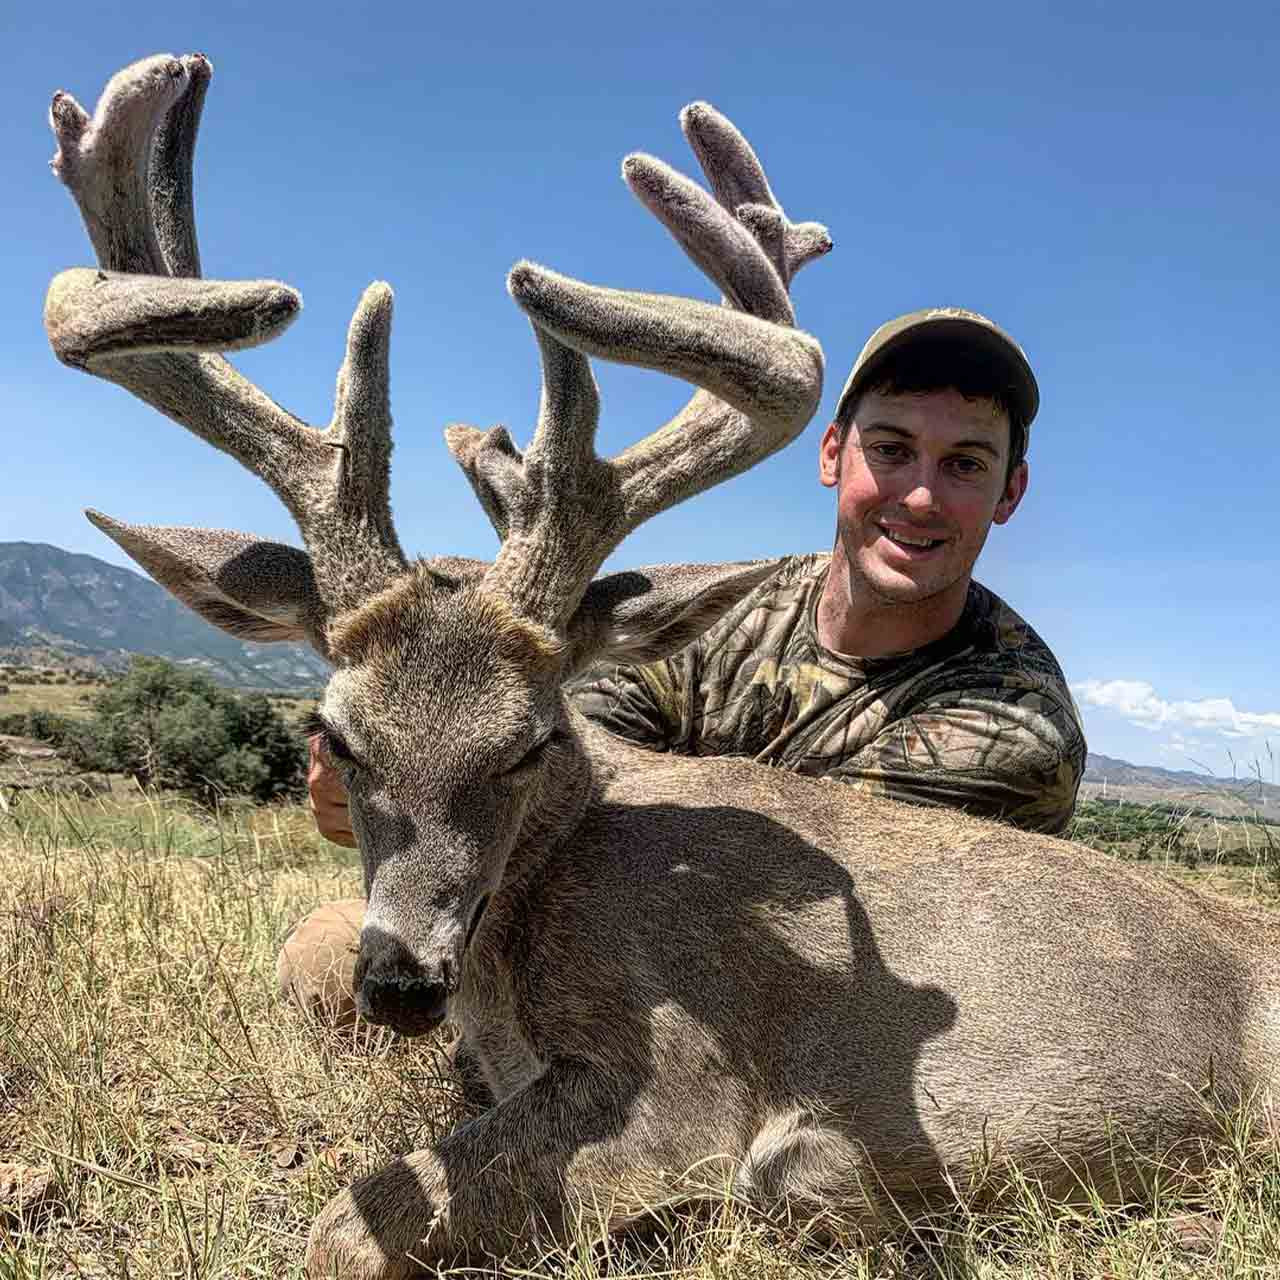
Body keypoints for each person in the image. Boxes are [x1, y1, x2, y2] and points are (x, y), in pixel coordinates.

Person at [285, 308, 1086, 1027]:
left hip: (820, 995)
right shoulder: (729, 608)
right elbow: (572, 756)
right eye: (892, 449)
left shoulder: (1013, 722)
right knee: (323, 962)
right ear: (834, 455)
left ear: (1010, 493)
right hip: (598, 915)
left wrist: (509, 759)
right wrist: (389, 766)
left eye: (965, 465)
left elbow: (831, 877)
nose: (918, 496)